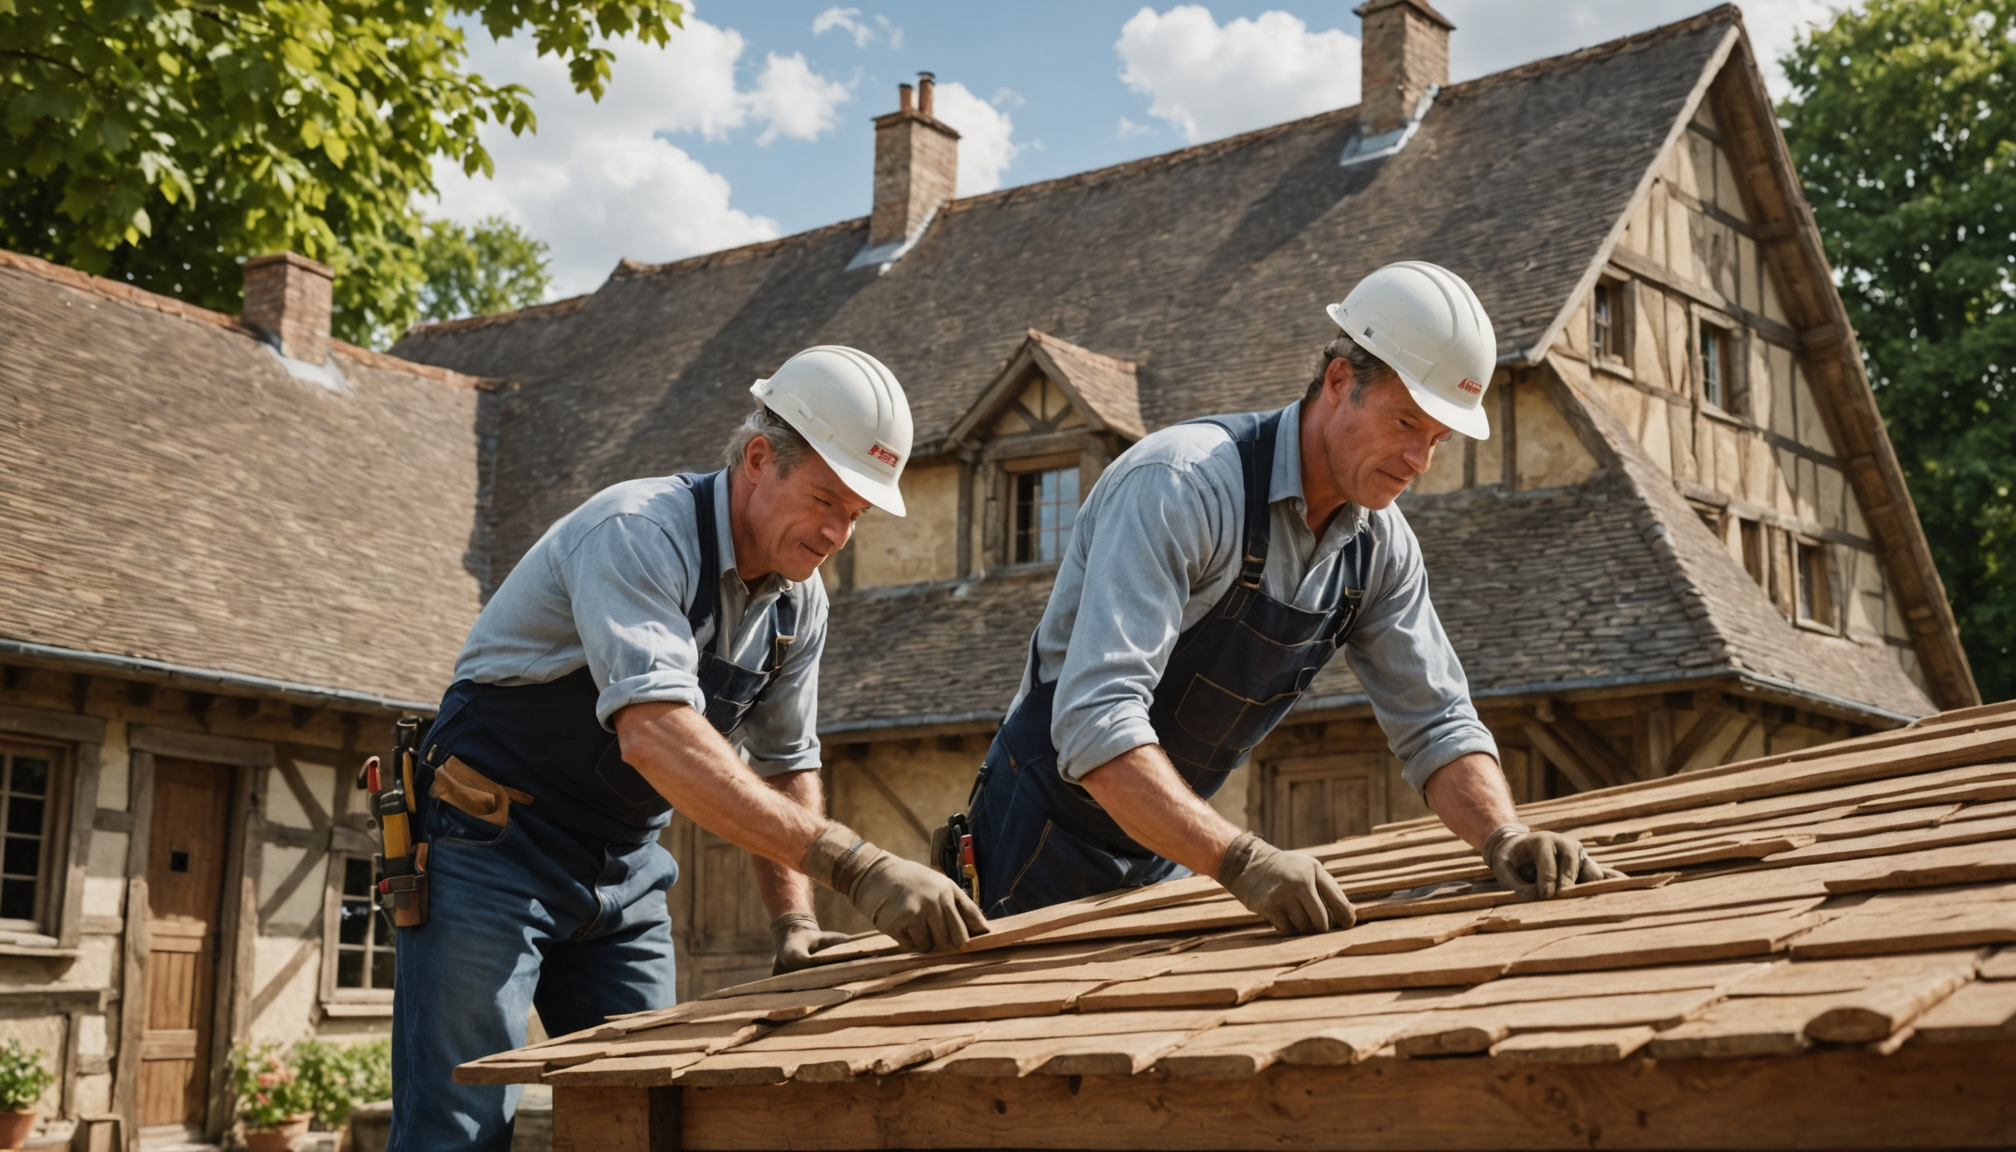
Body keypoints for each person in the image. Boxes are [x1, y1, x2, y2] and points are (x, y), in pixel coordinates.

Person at [389, 346, 985, 1150]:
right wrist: (857, 864)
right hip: (489, 847)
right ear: (758, 457)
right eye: (823, 500)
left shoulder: (797, 605)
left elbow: (785, 761)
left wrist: (794, 925)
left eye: (856, 514)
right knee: (457, 1130)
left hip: (626, 873)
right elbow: (655, 736)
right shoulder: (637, 533)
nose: (836, 533)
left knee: (649, 1115)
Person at [954, 262, 1621, 934]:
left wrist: (1502, 835)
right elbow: (1097, 722)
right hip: (1035, 846)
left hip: (1166, 849)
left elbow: (1437, 722)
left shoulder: (1380, 547)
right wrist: (1242, 860)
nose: (1420, 459)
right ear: (1339, 382)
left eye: (1437, 439)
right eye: (1405, 422)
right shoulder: (1182, 486)